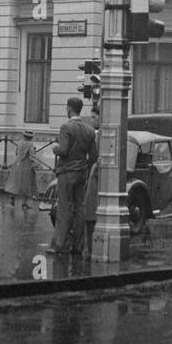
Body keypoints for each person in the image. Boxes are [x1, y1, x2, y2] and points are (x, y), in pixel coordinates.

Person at [50, 97, 97, 255]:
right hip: (82, 173)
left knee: (64, 208)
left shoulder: (66, 127)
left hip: (67, 172)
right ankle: (78, 245)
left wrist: (55, 148)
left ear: (69, 109)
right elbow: (94, 156)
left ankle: (59, 245)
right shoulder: (89, 130)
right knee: (79, 208)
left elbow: (63, 150)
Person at [5, 130, 38, 208]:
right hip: (26, 166)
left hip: (17, 165)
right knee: (26, 184)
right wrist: (36, 165)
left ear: (24, 136)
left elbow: (16, 152)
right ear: (31, 137)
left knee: (16, 182)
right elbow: (31, 156)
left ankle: (12, 197)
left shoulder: (20, 143)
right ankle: (24, 203)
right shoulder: (30, 145)